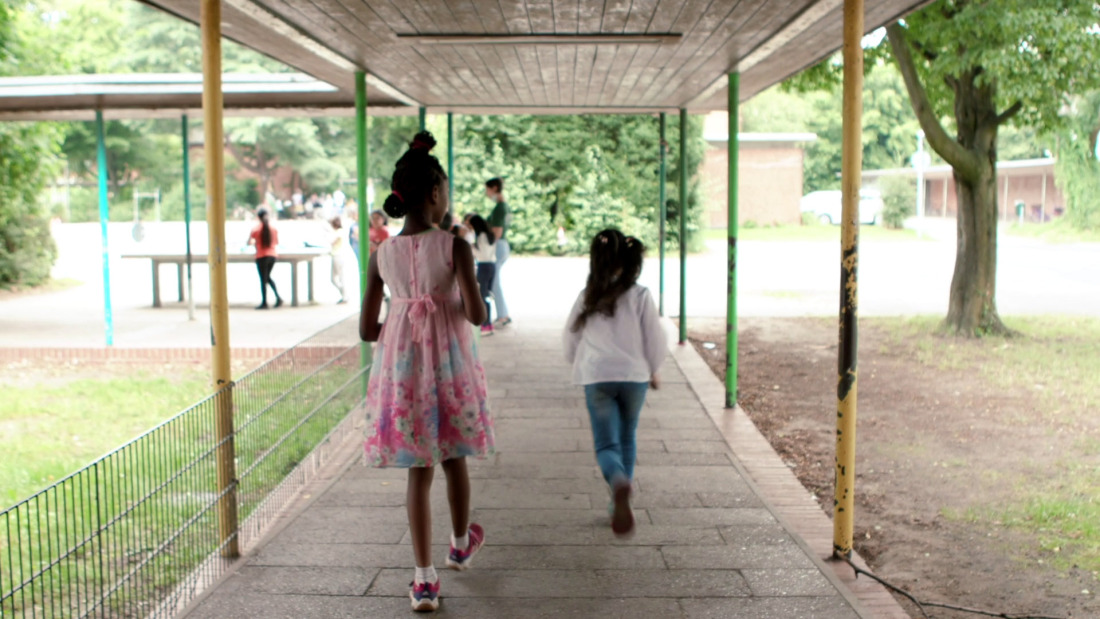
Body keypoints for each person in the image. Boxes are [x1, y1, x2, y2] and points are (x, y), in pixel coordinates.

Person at [359, 131, 494, 612]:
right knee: (454, 455)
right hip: (450, 371)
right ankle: (460, 544)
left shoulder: (382, 255)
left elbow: (366, 329)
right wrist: (446, 304)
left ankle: (423, 581)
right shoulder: (455, 247)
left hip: (405, 372)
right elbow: (478, 316)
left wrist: (404, 314)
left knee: (419, 471)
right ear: (435, 194)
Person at [563, 229, 666, 538]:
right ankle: (619, 498)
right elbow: (655, 337)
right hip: (634, 378)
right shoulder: (641, 295)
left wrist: (576, 363)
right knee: (627, 438)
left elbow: (570, 336)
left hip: (597, 377)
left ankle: (618, 484)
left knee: (606, 445)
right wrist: (654, 368)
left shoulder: (588, 295)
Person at [484, 178, 512, 328]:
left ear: (494, 188)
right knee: (494, 281)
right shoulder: (504, 207)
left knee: (494, 282)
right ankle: (503, 314)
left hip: (498, 246)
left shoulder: (500, 208)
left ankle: (503, 315)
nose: (486, 193)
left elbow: (497, 232)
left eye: (487, 190)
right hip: (502, 246)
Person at [466, 214, 497, 336]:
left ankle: (485, 325)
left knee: (482, 296)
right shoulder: (490, 235)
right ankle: (488, 324)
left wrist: (470, 248)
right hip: (492, 265)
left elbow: (481, 254)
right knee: (487, 295)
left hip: (484, 266)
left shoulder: (482, 236)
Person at [247, 208, 282, 310]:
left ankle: (265, 302)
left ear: (258, 217)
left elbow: (249, 242)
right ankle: (278, 298)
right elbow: (276, 242)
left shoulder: (255, 230)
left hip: (261, 256)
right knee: (267, 278)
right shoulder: (274, 229)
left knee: (264, 279)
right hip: (272, 255)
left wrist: (255, 243)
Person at [329, 217, 347, 304]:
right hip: (336, 255)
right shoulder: (339, 232)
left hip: (338, 256)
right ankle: (344, 295)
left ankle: (345, 295)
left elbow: (333, 242)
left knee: (339, 278)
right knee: (335, 278)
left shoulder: (338, 233)